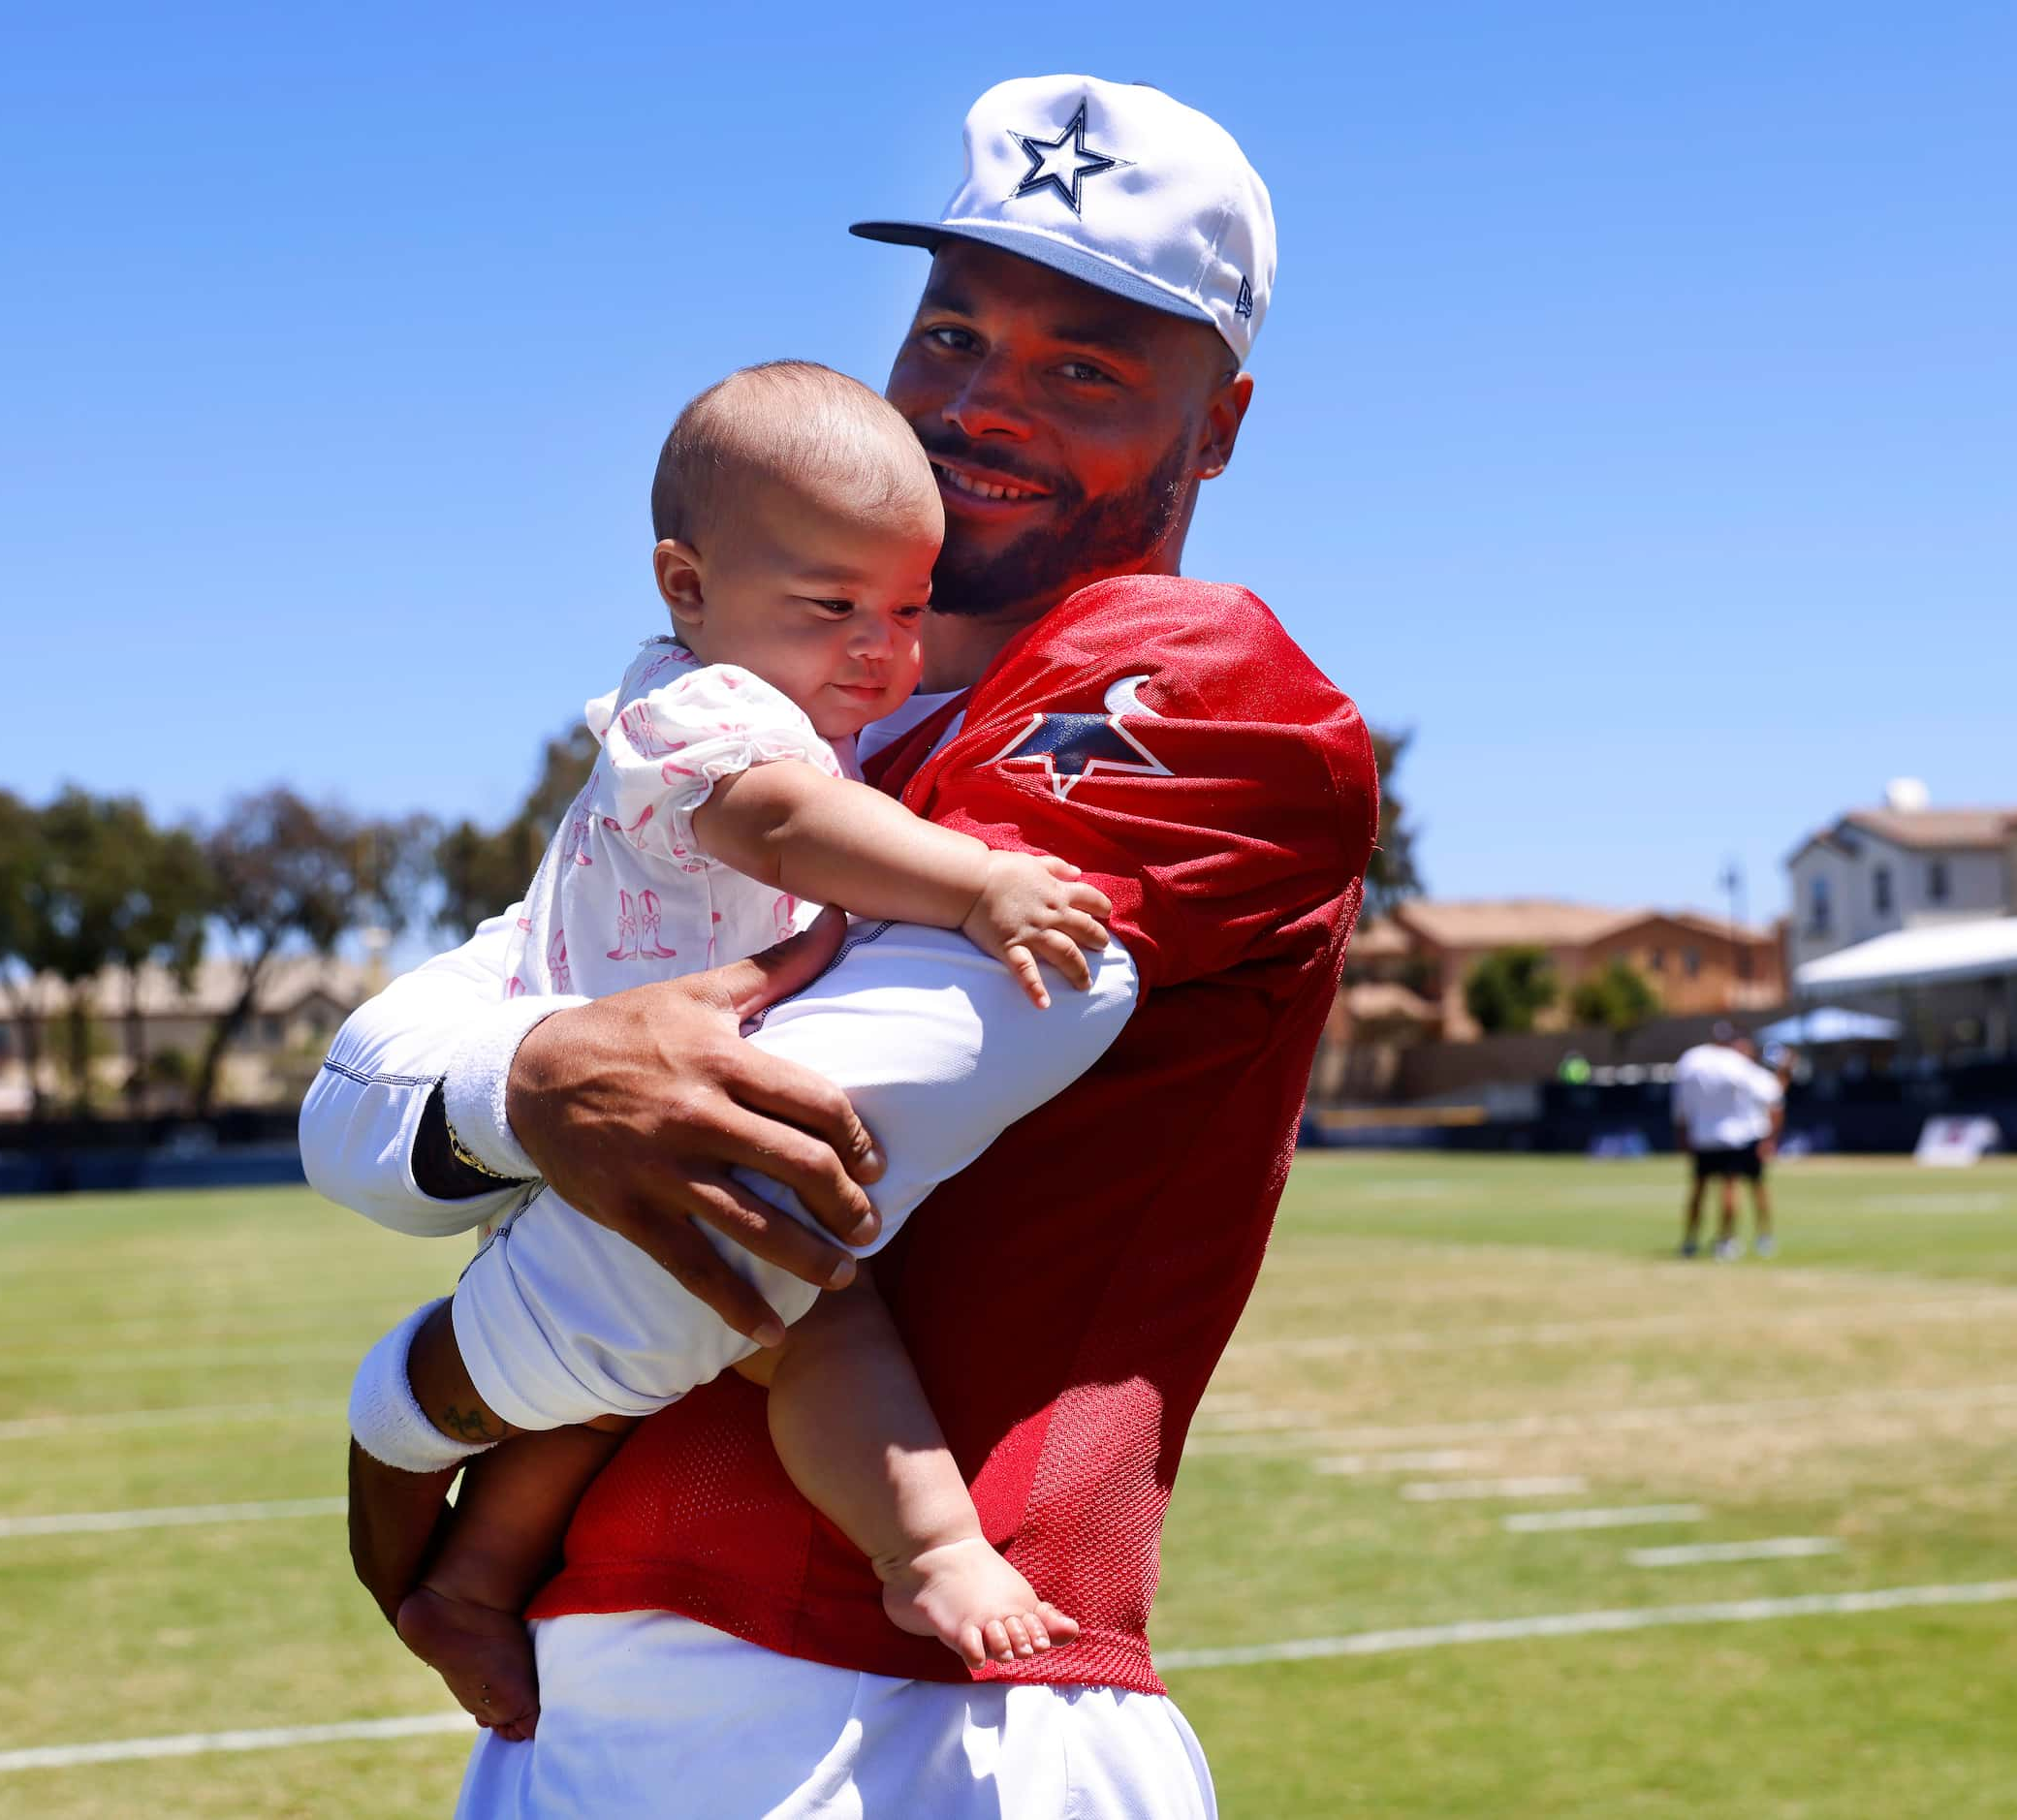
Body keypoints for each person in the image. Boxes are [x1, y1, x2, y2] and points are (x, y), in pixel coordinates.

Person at [304, 74, 1374, 1818]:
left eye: (1083, 363)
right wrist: (538, 1075)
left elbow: (756, 1170)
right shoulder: (787, 728)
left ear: (1222, 424)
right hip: (598, 1701)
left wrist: (400, 1414)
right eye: (950, 331)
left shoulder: (1187, 680)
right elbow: (374, 1096)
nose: (977, 405)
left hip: (909, 1712)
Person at [362, 359, 1115, 1731]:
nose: (881, 649)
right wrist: (972, 883)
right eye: (832, 607)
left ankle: (468, 1578)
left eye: (907, 608)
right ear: (686, 585)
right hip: (637, 1119)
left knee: (606, 1402)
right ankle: (931, 1548)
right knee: (826, 1319)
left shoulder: (758, 696)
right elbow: (777, 825)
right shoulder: (711, 718)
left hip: (624, 1135)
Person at [1670, 1030, 1789, 1259]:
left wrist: (1683, 1134)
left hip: (1704, 1137)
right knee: (1733, 1187)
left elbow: (1681, 1106)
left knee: (1699, 1189)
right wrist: (1784, 1072)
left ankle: (1690, 1241)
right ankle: (1731, 1239)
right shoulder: (1738, 1065)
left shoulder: (1693, 1060)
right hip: (1737, 1138)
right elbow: (1773, 1094)